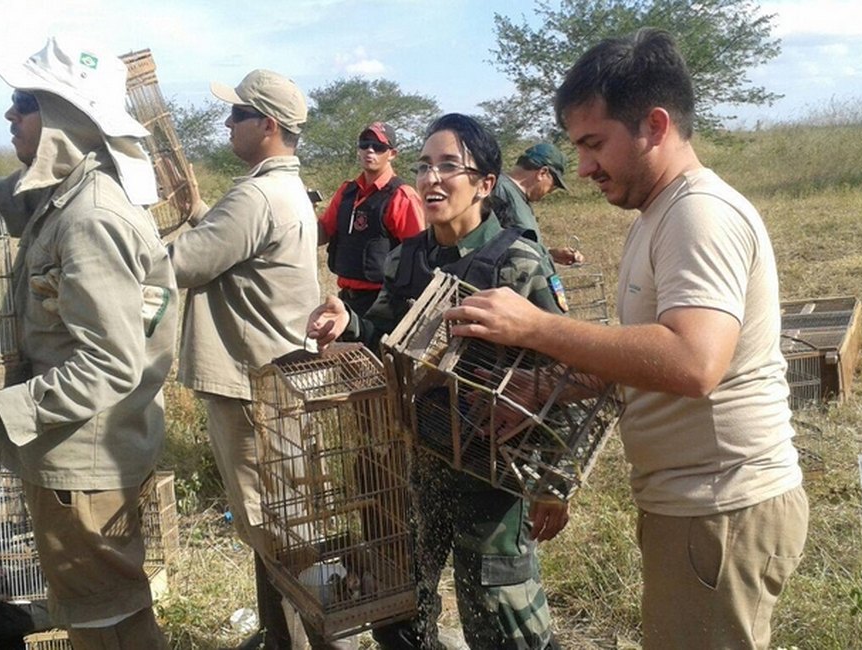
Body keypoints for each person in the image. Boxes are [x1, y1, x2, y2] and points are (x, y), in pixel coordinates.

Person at [445, 29, 809, 649]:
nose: (583, 167)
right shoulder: (658, 214)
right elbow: (651, 351)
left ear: (656, 125)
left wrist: (536, 328)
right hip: (692, 506)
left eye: (593, 144)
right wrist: (549, 387)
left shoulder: (700, 214)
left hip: (719, 507)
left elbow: (696, 361)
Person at [0, 37, 176, 650]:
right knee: (108, 609)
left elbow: (109, 363)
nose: (10, 117)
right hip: (78, 451)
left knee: (104, 620)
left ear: (66, 119)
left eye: (23, 103)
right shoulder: (63, 197)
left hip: (88, 459)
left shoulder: (91, 216)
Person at [307, 113, 568, 650]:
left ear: (485, 184)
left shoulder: (516, 262)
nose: (431, 179)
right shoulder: (408, 258)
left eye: (449, 166)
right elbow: (382, 326)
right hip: (415, 457)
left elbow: (562, 369)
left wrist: (553, 481)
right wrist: (346, 319)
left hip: (493, 468)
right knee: (399, 602)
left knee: (499, 616)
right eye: (425, 166)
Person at [166, 69, 353, 650]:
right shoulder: (284, 188)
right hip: (280, 379)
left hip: (254, 383)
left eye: (237, 115)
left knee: (276, 528)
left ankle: (329, 638)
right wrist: (200, 210)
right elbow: (235, 248)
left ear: (266, 125)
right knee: (288, 520)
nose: (228, 124)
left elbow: (183, 264)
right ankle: (287, 638)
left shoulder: (254, 195)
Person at [318, 122, 425, 316]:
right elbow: (322, 231)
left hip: (383, 303)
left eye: (378, 147)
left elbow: (419, 254)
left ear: (392, 154)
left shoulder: (401, 196)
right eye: (364, 144)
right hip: (346, 299)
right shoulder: (347, 191)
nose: (370, 150)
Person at [490, 143, 584, 265]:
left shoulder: (519, 196)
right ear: (542, 173)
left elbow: (518, 244)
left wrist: (550, 254)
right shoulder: (499, 190)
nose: (550, 191)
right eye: (553, 186)